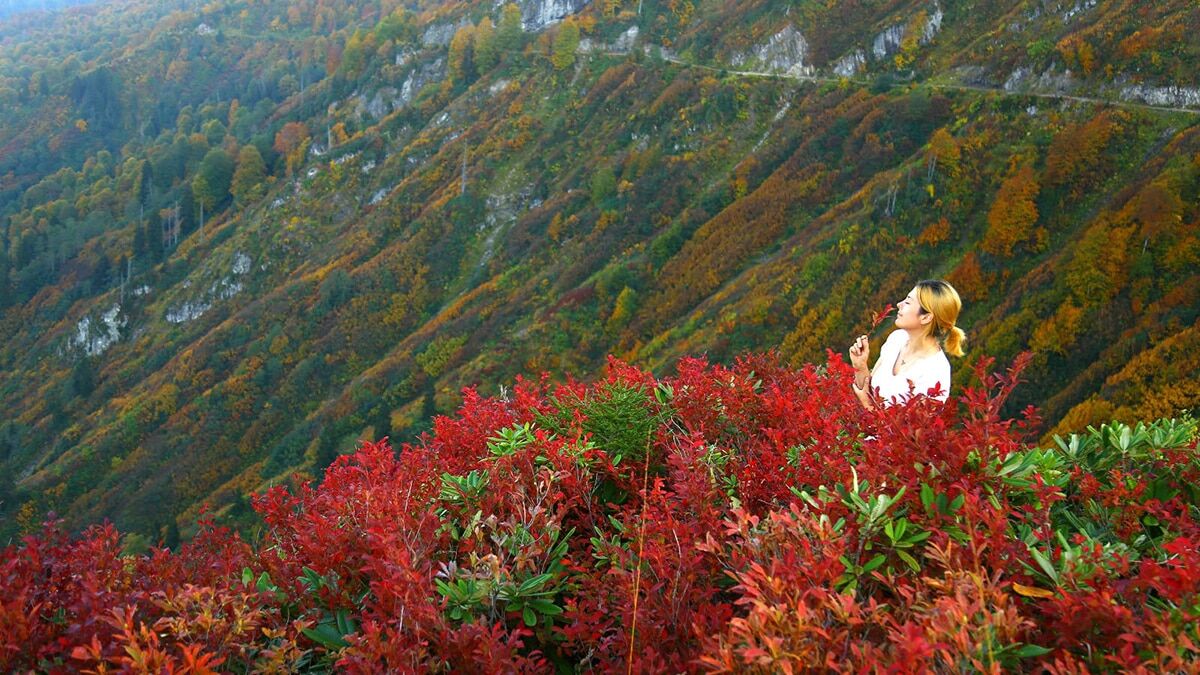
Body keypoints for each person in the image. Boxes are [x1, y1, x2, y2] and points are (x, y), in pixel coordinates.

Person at [848, 279, 966, 410]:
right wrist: (860, 365)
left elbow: (914, 430)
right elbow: (868, 391)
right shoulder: (897, 339)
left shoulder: (935, 371)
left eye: (908, 302)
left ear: (926, 317)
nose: (899, 304)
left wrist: (867, 405)